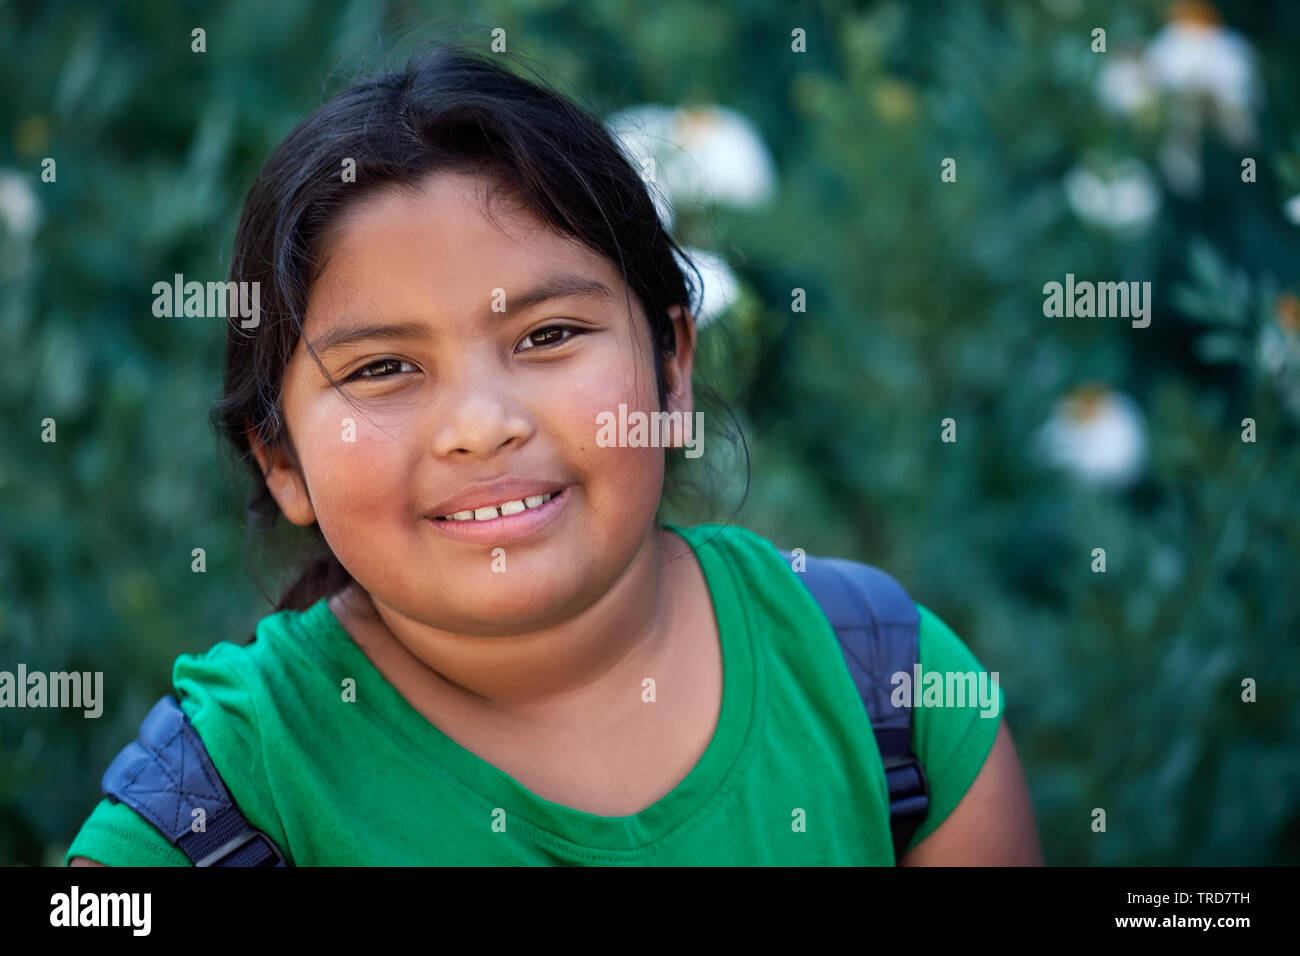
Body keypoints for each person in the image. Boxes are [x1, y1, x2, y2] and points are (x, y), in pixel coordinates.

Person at [67, 42, 1040, 866]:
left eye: (547, 336)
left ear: (672, 367)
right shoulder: (219, 806)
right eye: (383, 367)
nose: (481, 423)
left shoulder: (885, 691)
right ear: (279, 460)